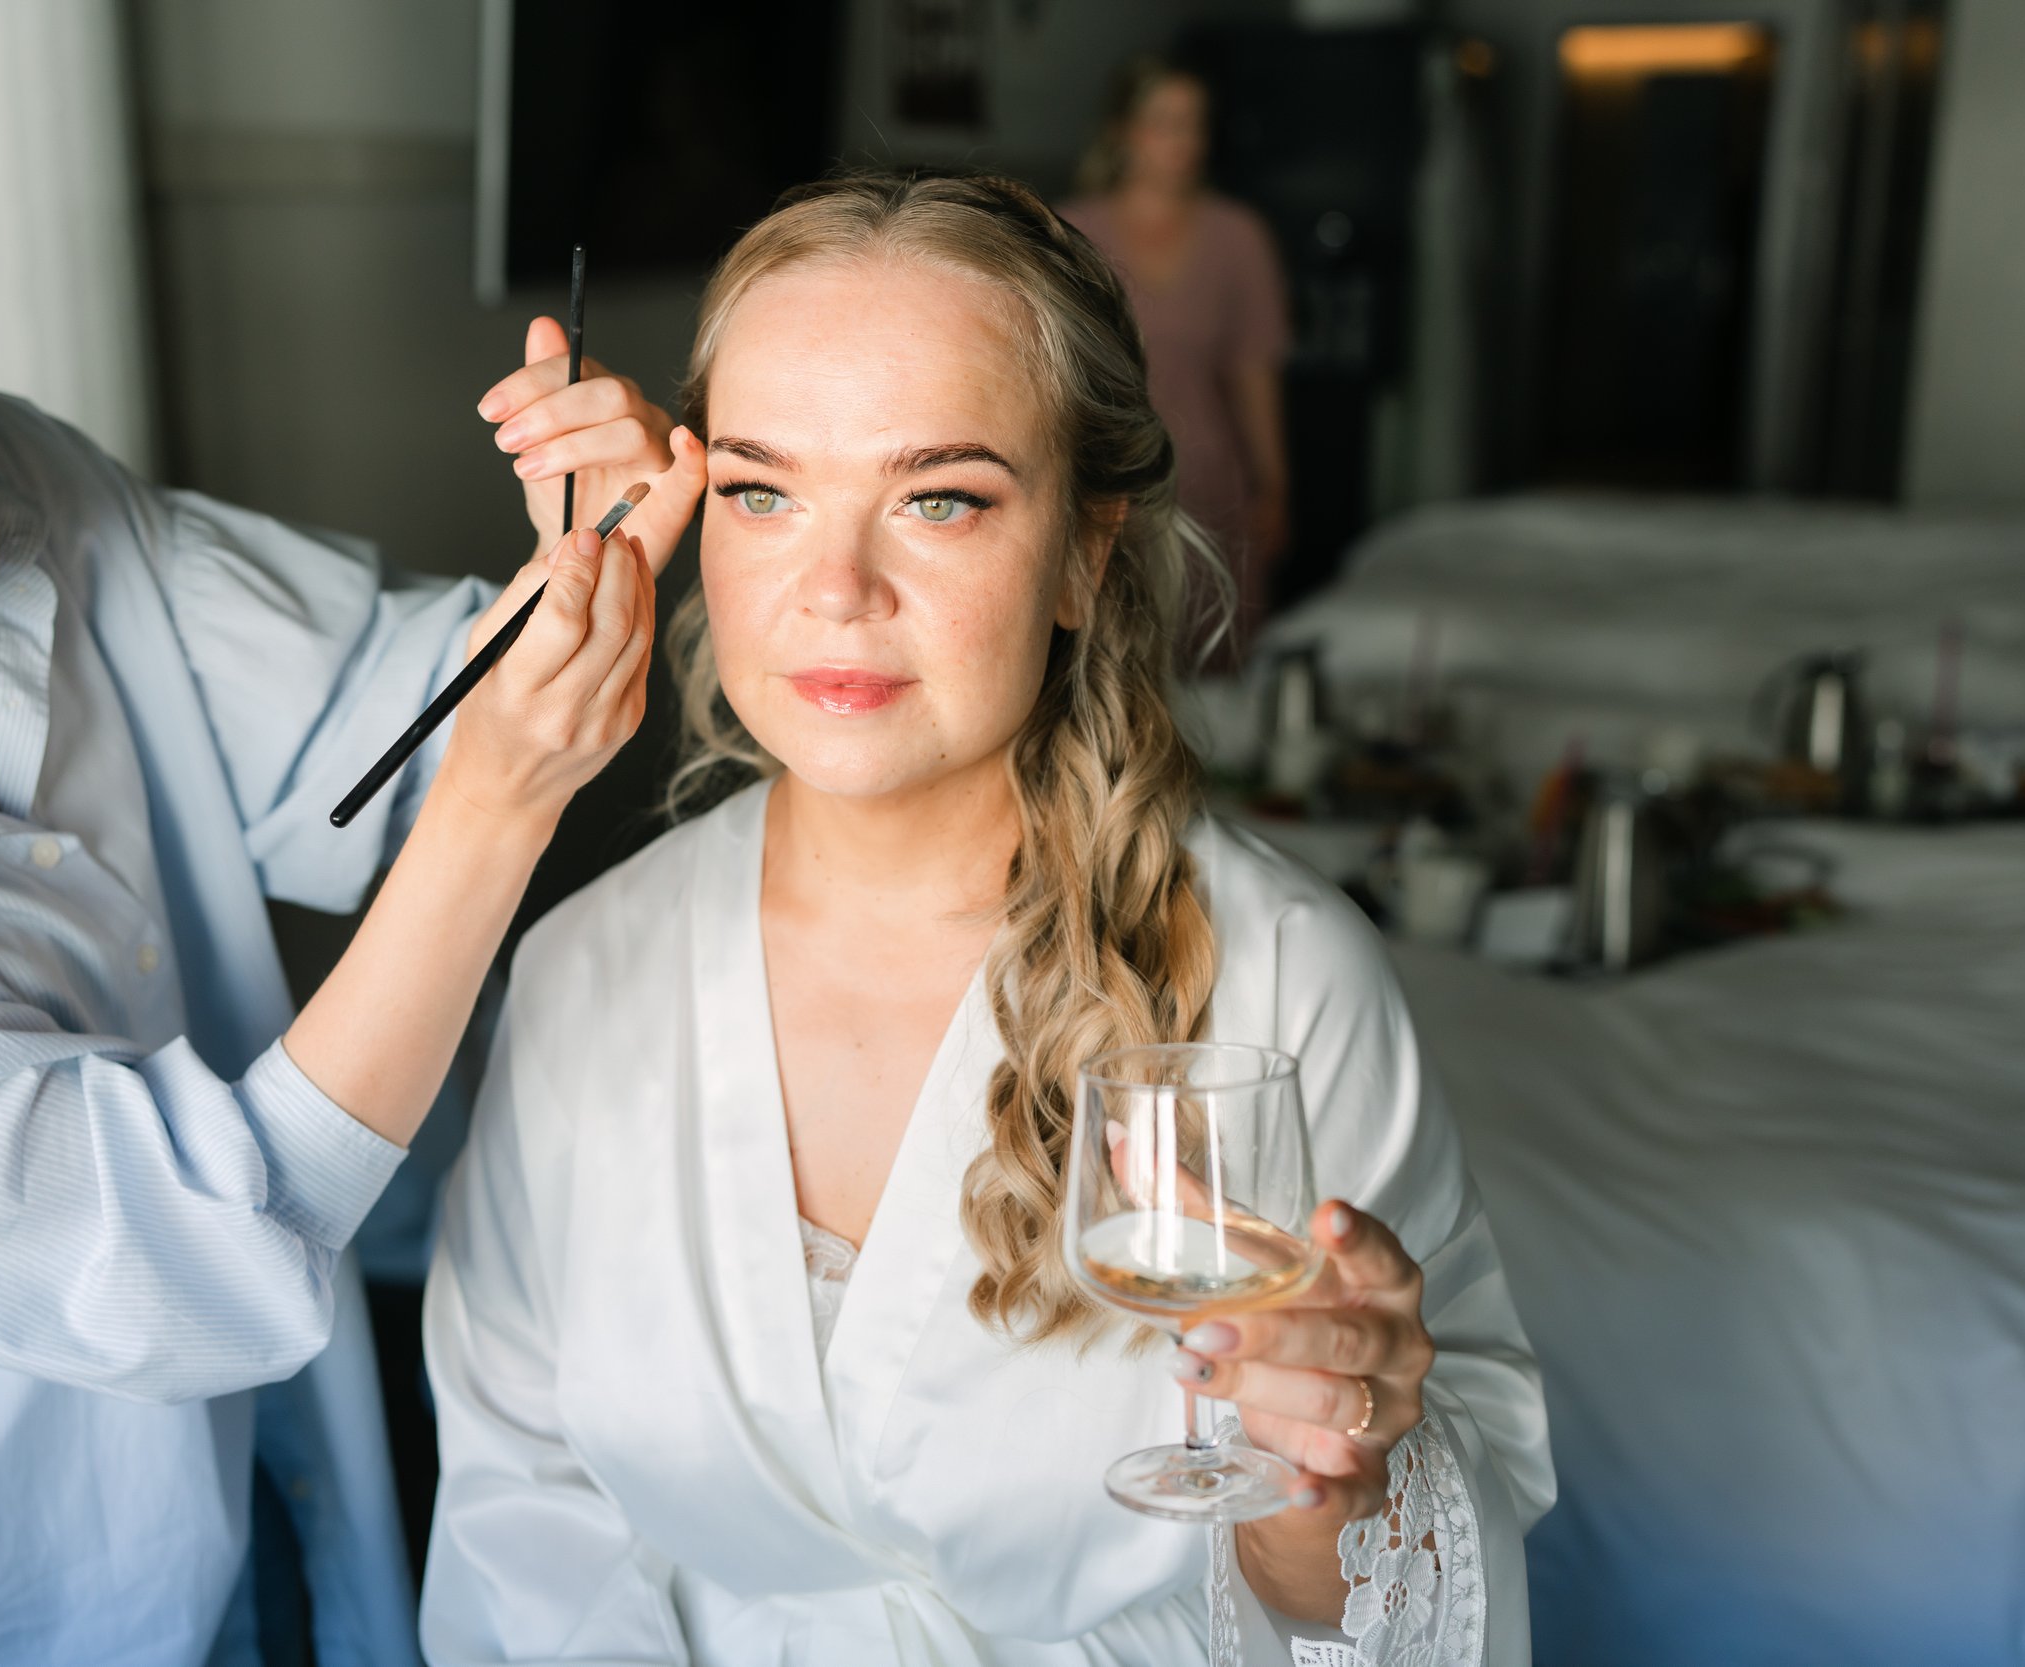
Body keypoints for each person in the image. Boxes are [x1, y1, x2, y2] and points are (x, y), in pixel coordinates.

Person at [0, 136, 702, 1665]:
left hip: (271, 1479)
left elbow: (379, 735)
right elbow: (192, 1258)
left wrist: (584, 557)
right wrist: (506, 796)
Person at [420, 171, 1551, 1664]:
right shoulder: (582, 971)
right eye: (763, 491)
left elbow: (1386, 1603)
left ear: (1087, 548)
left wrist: (1330, 1471)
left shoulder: (1280, 980)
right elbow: (524, 1518)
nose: (834, 587)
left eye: (938, 497)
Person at [1063, 57, 1291, 668]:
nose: (1183, 141)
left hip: (1211, 481)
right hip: (1107, 482)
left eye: (1194, 124)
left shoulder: (1237, 236)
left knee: (1212, 666)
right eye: (1164, 122)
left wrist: (1274, 483)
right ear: (1123, 130)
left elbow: (1253, 369)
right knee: (1109, 661)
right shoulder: (1072, 231)